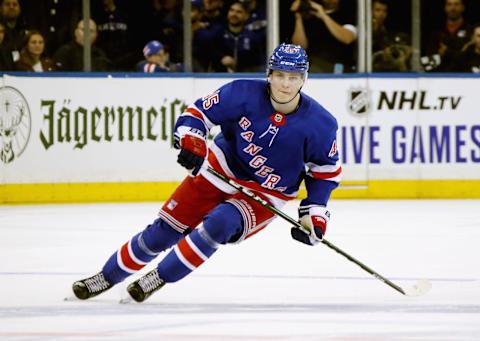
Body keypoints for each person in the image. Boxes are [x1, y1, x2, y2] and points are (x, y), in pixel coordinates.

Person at [71, 43, 342, 303]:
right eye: (280, 75)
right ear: (268, 75)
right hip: (220, 168)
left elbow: (325, 172)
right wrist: (192, 140)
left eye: (293, 77)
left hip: (267, 191)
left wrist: (315, 213)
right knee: (162, 233)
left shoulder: (321, 124)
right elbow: (198, 114)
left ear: (304, 79)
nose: (285, 84)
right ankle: (105, 277)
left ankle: (159, 277)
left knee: (221, 224)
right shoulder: (241, 93)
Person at [291, 0, 357, 73]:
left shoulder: (347, 14)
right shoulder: (310, 16)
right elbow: (299, 47)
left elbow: (347, 38)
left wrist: (323, 15)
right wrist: (298, 17)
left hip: (340, 67)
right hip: (312, 66)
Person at [210, 0, 266, 72]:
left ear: (246, 16)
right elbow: (211, 57)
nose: (234, 14)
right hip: (219, 77)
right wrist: (221, 59)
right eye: (231, 10)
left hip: (245, 76)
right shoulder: (218, 35)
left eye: (239, 12)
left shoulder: (252, 38)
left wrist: (238, 65)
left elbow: (258, 64)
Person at [424, 0, 473, 72]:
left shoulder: (471, 31)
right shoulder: (436, 33)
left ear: (463, 7)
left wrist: (447, 52)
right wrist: (439, 56)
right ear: (445, 8)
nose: (452, 8)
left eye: (456, 4)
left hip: (465, 77)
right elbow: (428, 63)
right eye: (449, 4)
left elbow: (470, 59)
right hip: (439, 77)